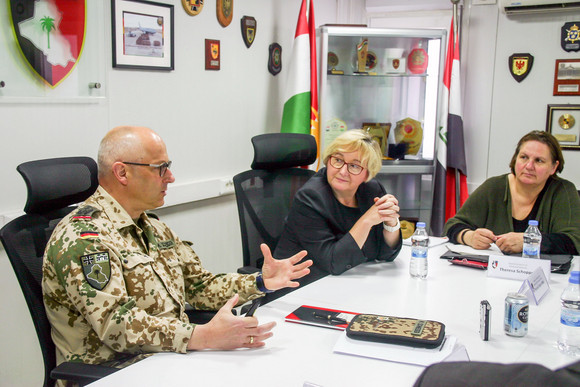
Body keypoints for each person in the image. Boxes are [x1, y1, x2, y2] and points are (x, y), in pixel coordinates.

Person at [42, 126, 313, 369]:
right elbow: (118, 325)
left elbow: (198, 287)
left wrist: (259, 281)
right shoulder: (84, 238)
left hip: (169, 358)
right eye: (160, 168)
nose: (170, 177)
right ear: (122, 172)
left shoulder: (153, 226)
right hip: (115, 372)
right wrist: (202, 337)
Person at [274, 129, 402, 286]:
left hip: (346, 283)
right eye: (338, 160)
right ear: (328, 160)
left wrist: (391, 223)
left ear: (368, 174)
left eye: (354, 166)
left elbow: (385, 254)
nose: (342, 172)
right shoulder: (310, 197)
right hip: (301, 287)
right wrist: (366, 221)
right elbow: (333, 263)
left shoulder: (372, 190)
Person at [444, 130, 580, 255]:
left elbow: (574, 242)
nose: (529, 166)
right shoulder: (493, 186)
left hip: (545, 276)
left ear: (553, 167)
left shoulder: (563, 191)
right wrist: (469, 237)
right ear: (515, 159)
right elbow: (452, 225)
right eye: (524, 157)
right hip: (490, 274)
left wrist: (530, 241)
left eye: (539, 160)